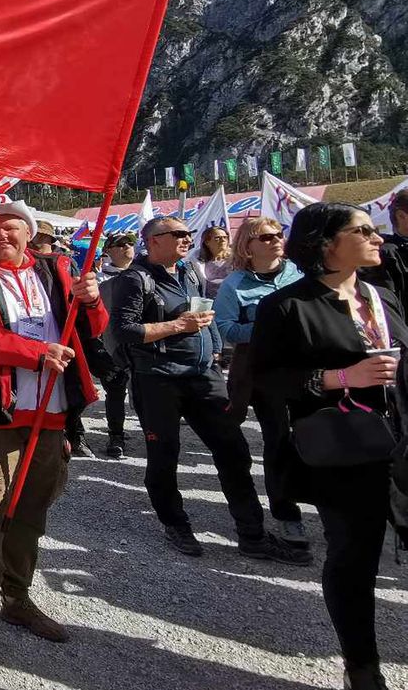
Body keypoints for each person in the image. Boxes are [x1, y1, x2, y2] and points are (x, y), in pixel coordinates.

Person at [252, 203, 408, 690]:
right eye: (361, 231)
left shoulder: (381, 294)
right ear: (325, 244)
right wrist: (343, 376)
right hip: (344, 451)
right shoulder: (287, 307)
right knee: (354, 556)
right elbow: (268, 383)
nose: (375, 237)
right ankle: (362, 672)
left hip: (401, 443)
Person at [0, 198, 107, 665]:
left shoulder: (57, 271)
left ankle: (18, 598)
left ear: (28, 232)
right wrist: (34, 353)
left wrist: (92, 301)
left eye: (10, 229)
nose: (1, 237)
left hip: (51, 414)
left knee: (31, 515)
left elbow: (93, 330)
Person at [110, 217, 307, 565]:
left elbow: (208, 313)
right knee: (164, 456)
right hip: (157, 378)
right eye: (179, 234)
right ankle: (176, 524)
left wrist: (214, 348)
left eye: (189, 234)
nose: (188, 239)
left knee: (234, 450)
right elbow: (124, 330)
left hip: (203, 374)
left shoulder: (189, 271)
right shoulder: (134, 279)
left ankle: (252, 534)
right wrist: (176, 326)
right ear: (154, 241)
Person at [214, 217, 306, 546]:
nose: (275, 241)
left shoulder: (299, 274)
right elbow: (225, 328)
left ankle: (329, 507)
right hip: (266, 376)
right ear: (248, 246)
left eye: (278, 235)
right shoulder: (235, 284)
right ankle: (287, 514)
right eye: (265, 238)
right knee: (279, 443)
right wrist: (268, 329)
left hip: (309, 372)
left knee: (315, 438)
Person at [95, 233, 138, 459]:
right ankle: (116, 435)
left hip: (141, 343)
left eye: (130, 243)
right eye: (121, 245)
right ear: (109, 250)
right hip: (111, 344)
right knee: (115, 389)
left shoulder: (146, 274)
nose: (127, 248)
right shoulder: (99, 280)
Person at [195, 225, 233, 299]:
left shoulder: (236, 259)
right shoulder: (197, 262)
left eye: (225, 237)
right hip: (209, 302)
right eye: (217, 238)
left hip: (232, 301)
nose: (223, 240)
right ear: (207, 242)